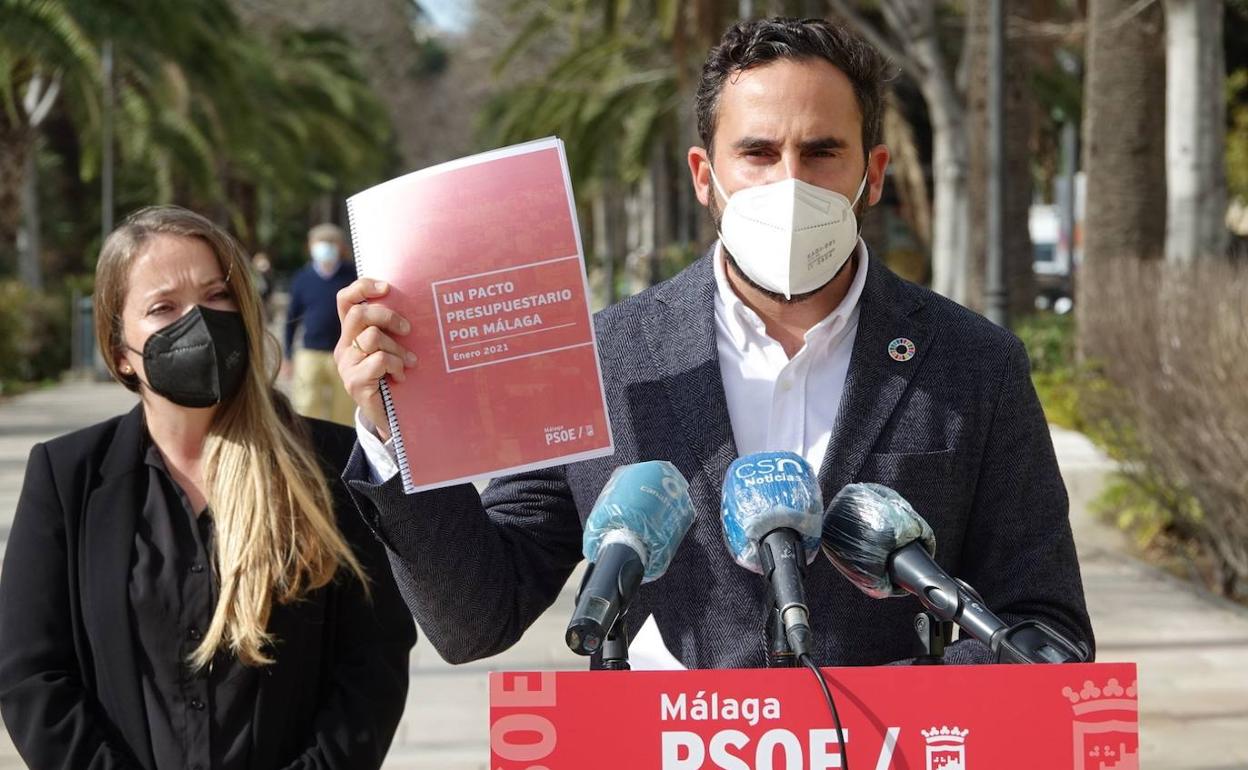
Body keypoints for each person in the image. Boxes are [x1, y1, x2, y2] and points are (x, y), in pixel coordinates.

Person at [335, 18, 1094, 669]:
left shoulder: (974, 365)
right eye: (758, 154)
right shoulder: (606, 358)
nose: (788, 184)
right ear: (706, 176)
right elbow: (477, 619)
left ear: (874, 174)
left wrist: (873, 712)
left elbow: (1047, 627)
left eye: (822, 152)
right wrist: (391, 433)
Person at [0, 206, 415, 768]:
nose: (197, 320)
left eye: (216, 295)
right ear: (121, 352)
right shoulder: (67, 477)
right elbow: (32, 675)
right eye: (162, 307)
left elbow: (373, 662)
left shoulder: (332, 462)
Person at [284, 223, 357, 425]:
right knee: (306, 407)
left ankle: (345, 453)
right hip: (310, 353)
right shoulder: (302, 278)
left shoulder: (352, 275)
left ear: (341, 246)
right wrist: (288, 355)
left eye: (331, 242)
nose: (326, 247)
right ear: (311, 246)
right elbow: (291, 319)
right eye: (321, 242)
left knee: (345, 411)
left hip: (345, 352)